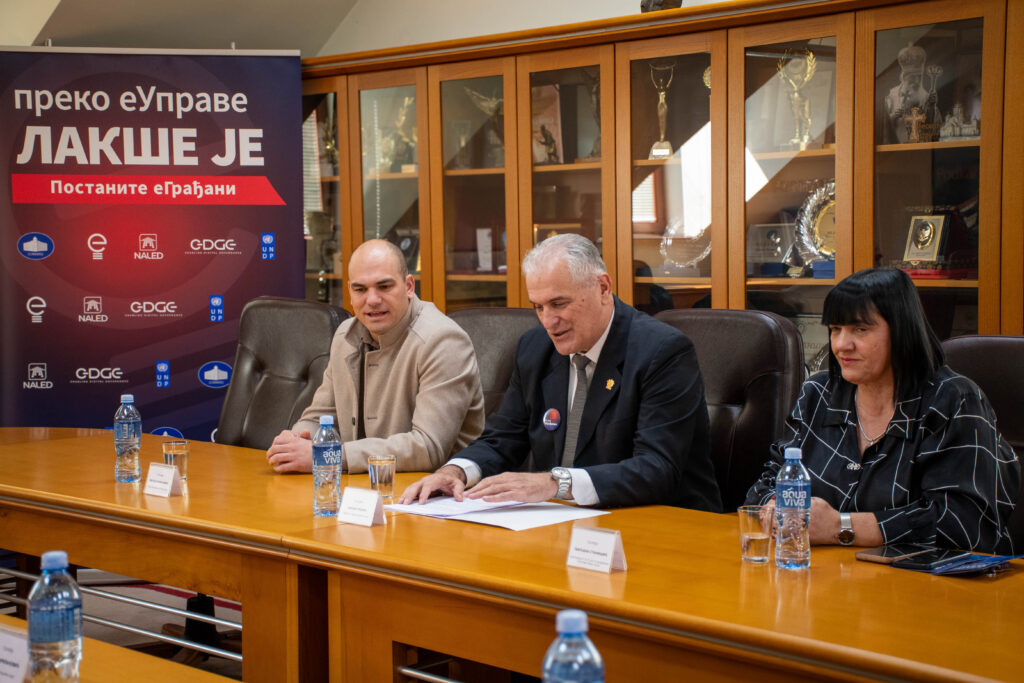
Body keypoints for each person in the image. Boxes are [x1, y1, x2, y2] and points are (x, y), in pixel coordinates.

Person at [399, 234, 721, 511]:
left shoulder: (661, 352)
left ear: (603, 288)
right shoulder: (534, 348)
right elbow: (502, 438)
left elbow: (656, 469)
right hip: (562, 523)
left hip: (660, 524)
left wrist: (556, 483)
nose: (548, 321)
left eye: (559, 304)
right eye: (538, 307)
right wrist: (454, 472)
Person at [745, 268, 1019, 553]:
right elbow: (768, 481)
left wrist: (841, 526)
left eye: (860, 329)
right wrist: (774, 508)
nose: (841, 345)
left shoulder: (952, 401)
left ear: (902, 331)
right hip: (827, 570)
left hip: (929, 577)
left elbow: (966, 525)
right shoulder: (819, 393)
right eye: (836, 329)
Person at [266, 239, 485, 474]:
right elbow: (319, 417)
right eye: (360, 289)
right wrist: (294, 441)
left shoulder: (443, 340)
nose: (372, 300)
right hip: (361, 486)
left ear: (409, 286)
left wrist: (329, 456)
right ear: (350, 292)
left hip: (430, 490)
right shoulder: (345, 335)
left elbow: (428, 448)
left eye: (384, 287)